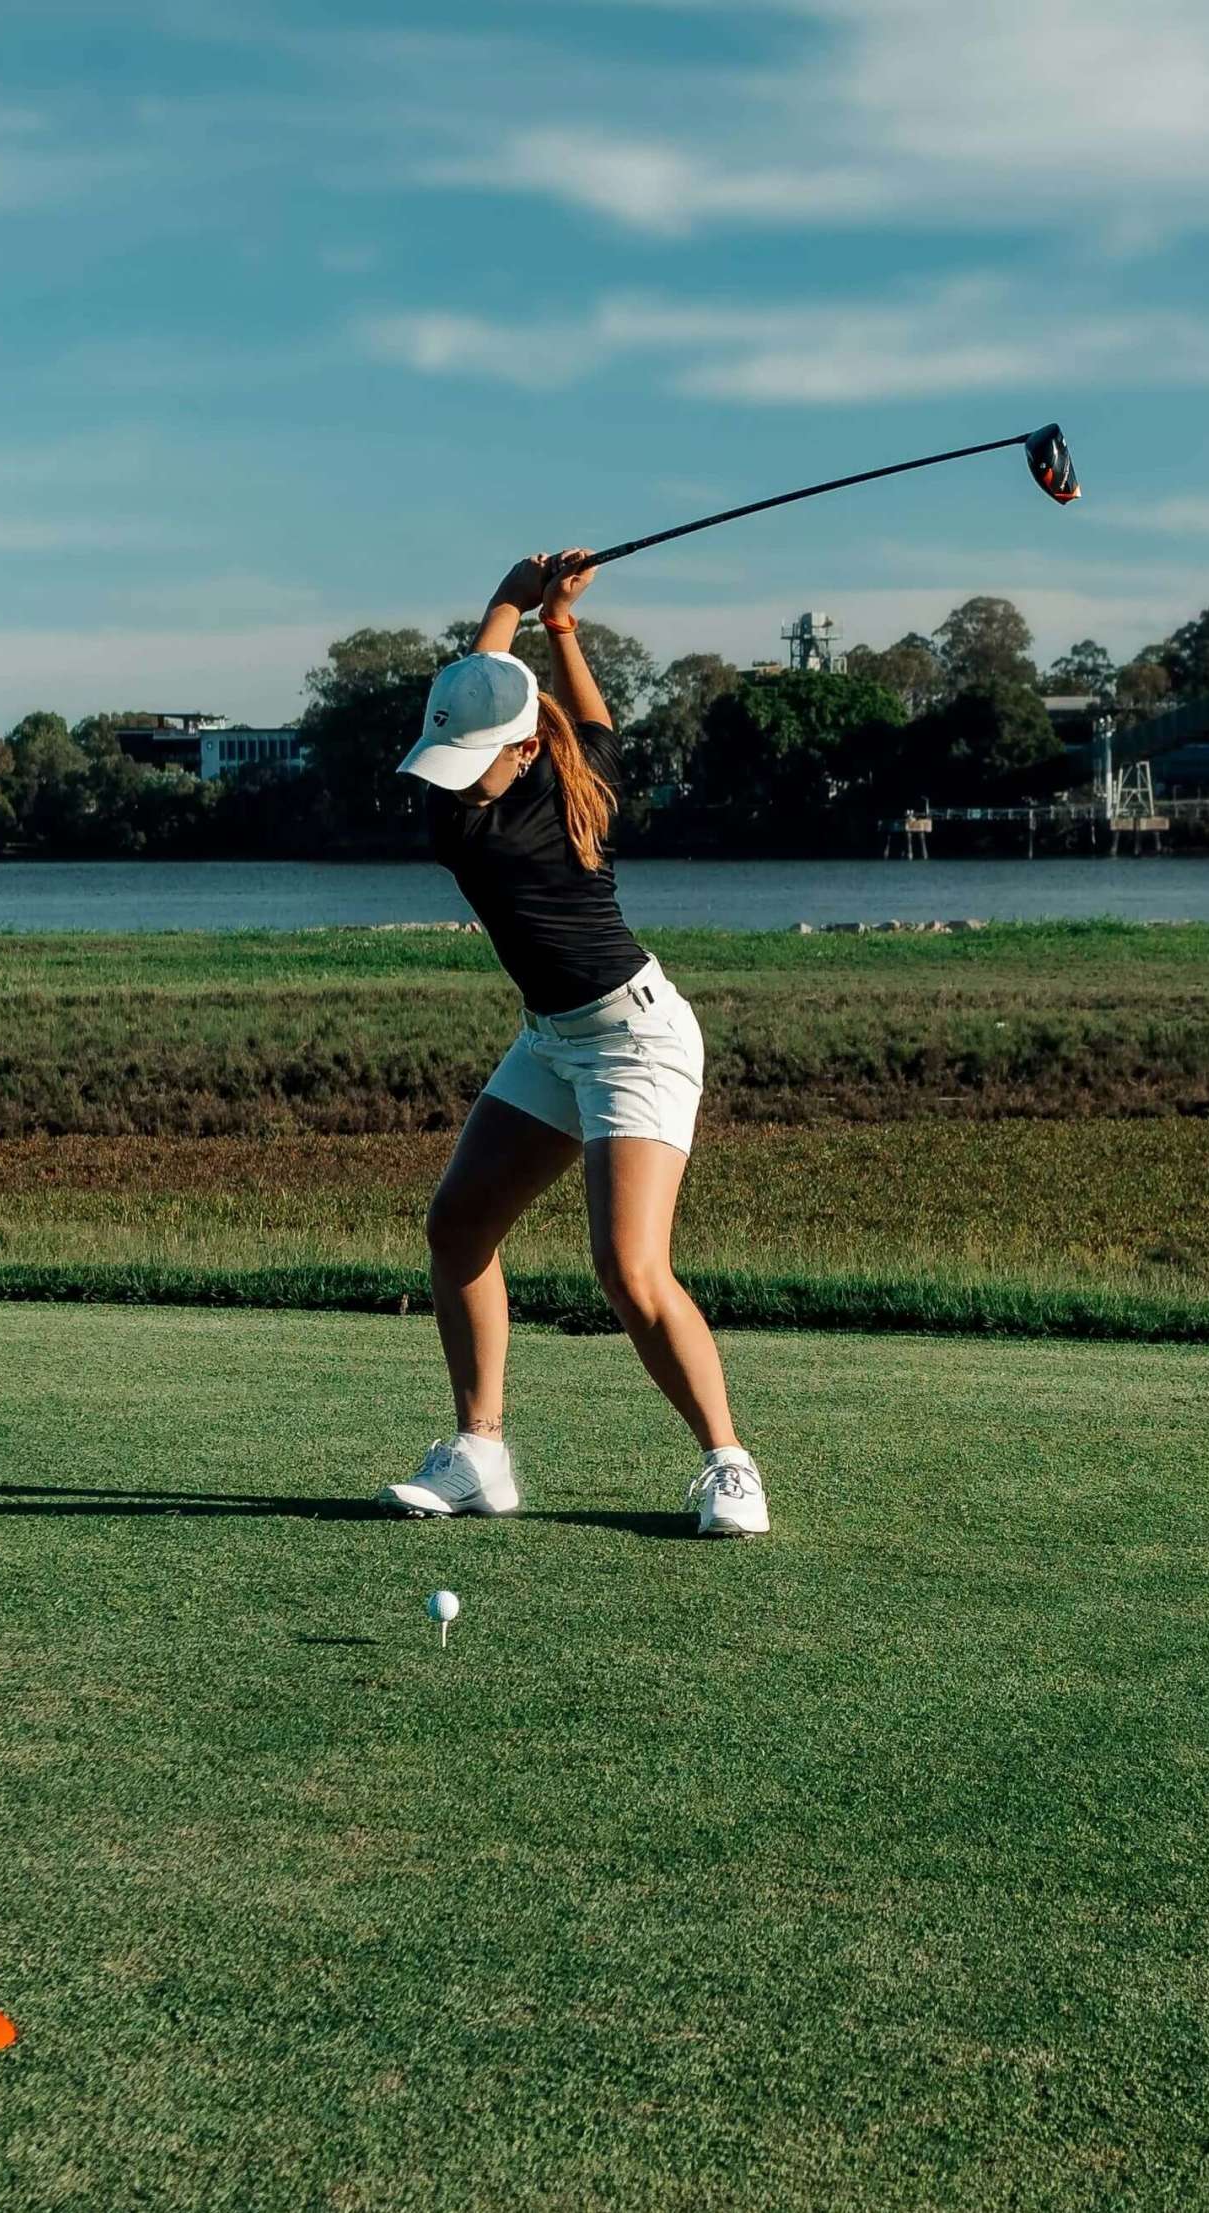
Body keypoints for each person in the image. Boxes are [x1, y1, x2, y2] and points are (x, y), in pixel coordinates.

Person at [377, 551, 769, 1539]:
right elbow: (566, 713)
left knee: (629, 1268)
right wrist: (549, 620)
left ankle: (729, 1465)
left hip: (638, 1040)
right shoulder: (557, 777)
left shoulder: (481, 832)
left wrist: (512, 600)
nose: (453, 781)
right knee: (458, 1226)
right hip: (553, 1040)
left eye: (473, 758)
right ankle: (479, 1453)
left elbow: (510, 687)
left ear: (521, 751)